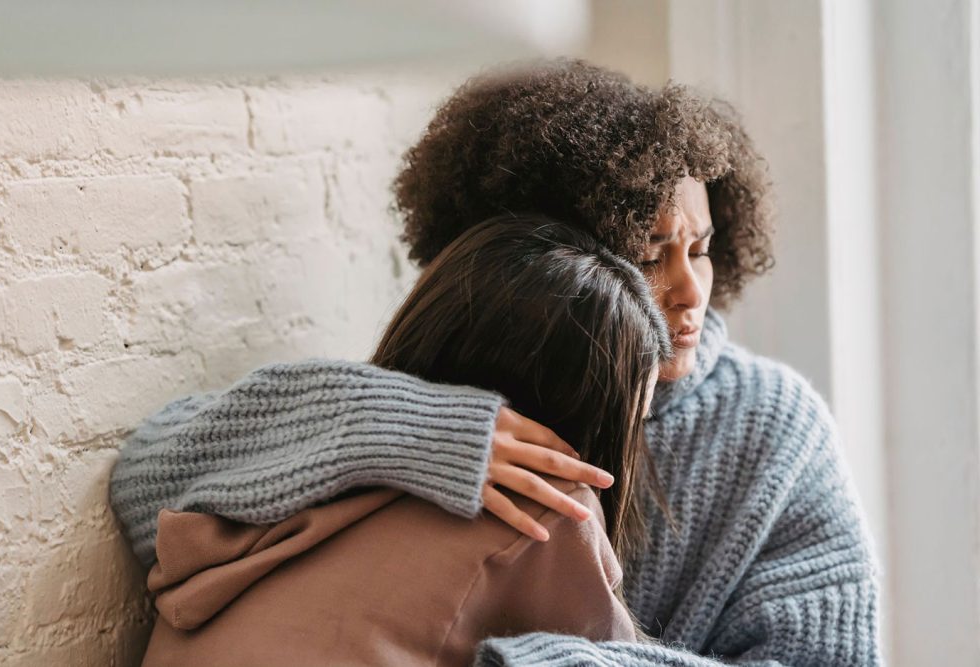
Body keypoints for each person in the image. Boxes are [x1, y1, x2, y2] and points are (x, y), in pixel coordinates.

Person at [111, 59, 881, 666]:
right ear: (557, 256)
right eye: (649, 253)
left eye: (702, 249)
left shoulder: (775, 430)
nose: (690, 291)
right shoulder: (452, 387)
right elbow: (146, 486)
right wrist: (414, 427)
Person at [138, 217, 670, 666]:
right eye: (633, 419)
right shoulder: (548, 506)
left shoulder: (312, 466)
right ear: (594, 416)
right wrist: (441, 430)